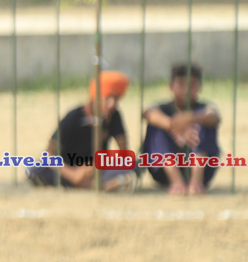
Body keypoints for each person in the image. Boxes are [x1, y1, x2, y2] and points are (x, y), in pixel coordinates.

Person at [26, 70, 135, 190]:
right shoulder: (74, 117)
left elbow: (124, 153)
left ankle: (98, 184)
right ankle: (102, 186)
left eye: (116, 99)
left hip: (97, 168)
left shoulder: (114, 116)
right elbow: (48, 155)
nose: (112, 104)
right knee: (36, 170)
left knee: (135, 164)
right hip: (68, 167)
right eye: (108, 98)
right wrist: (73, 175)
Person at [142, 63, 220, 195]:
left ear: (200, 87)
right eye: (181, 84)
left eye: (192, 85)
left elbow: (214, 117)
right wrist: (176, 127)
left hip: (202, 170)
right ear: (171, 86)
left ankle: (196, 180)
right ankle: (176, 180)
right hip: (164, 172)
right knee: (157, 127)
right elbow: (149, 114)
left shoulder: (204, 108)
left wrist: (190, 118)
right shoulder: (162, 108)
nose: (186, 90)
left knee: (205, 123)